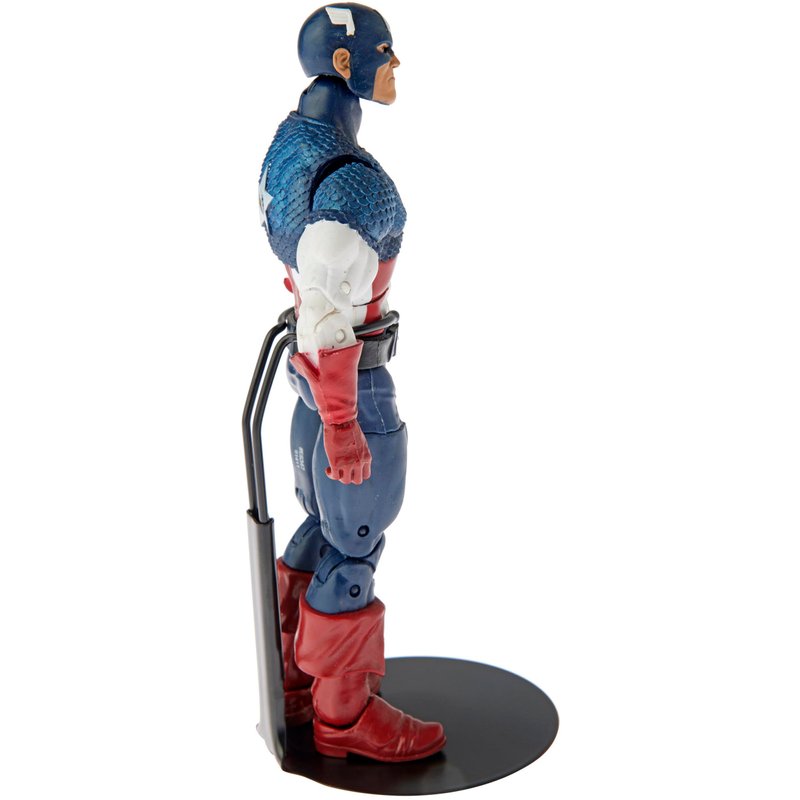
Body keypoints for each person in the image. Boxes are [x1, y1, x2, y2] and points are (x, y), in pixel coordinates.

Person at [257, 4, 446, 762]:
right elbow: (330, 310)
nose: (395, 66)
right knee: (356, 545)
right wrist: (343, 424)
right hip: (349, 388)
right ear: (346, 64)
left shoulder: (291, 145)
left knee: (322, 524)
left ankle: (295, 680)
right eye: (384, 53)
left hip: (310, 385)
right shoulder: (353, 183)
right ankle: (344, 718)